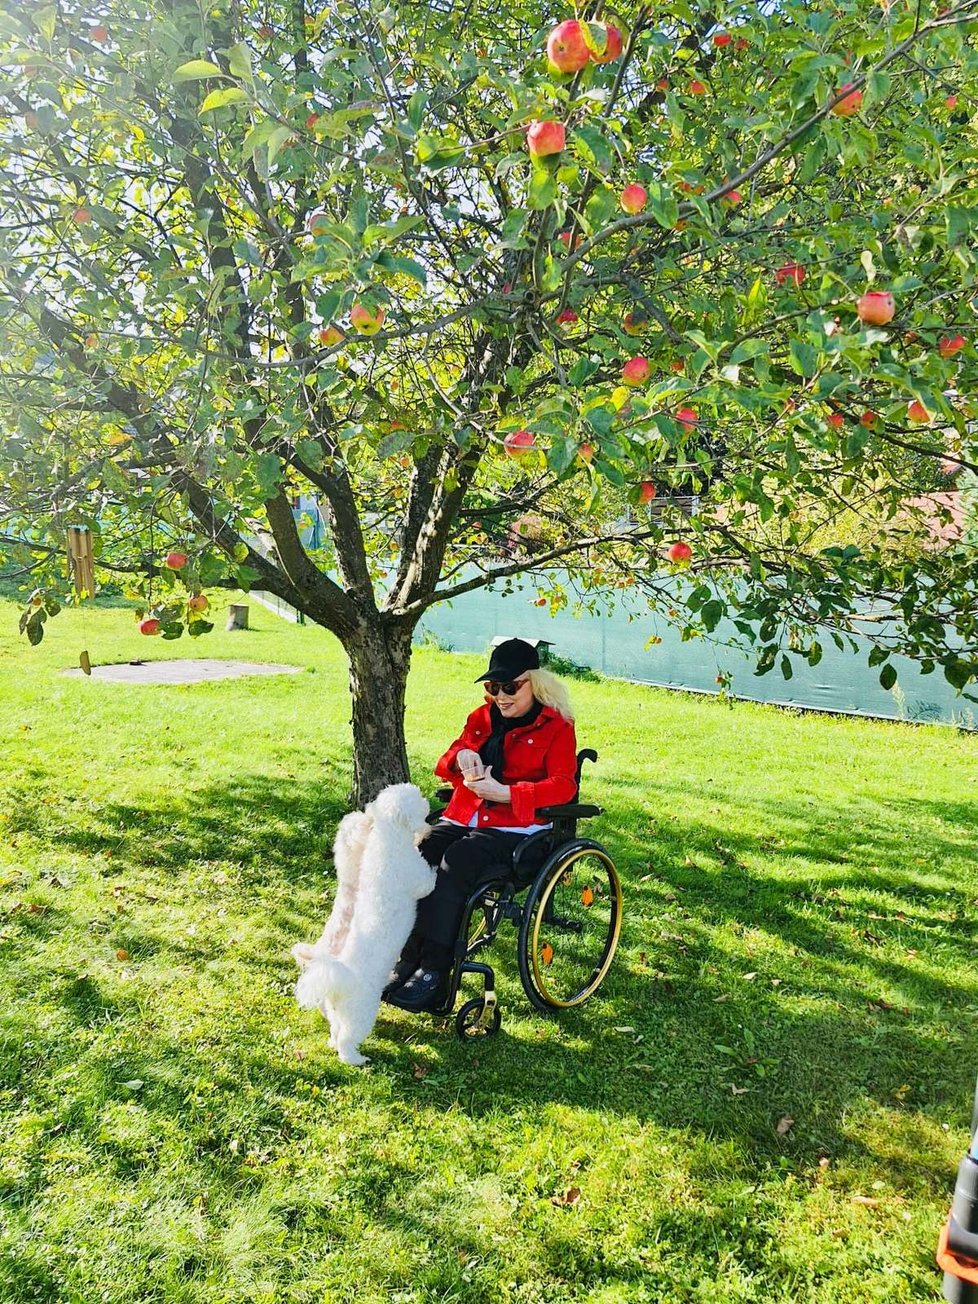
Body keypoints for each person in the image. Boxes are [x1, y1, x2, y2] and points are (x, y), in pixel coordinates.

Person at [384, 638, 578, 1012]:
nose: (501, 696)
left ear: (534, 683)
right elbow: (445, 762)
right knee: (417, 857)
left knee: (457, 861)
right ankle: (408, 957)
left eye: (510, 687)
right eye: (493, 687)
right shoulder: (481, 717)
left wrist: (507, 793)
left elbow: (564, 786)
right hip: (464, 814)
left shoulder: (557, 725)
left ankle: (435, 969)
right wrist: (463, 758)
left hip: (515, 828)